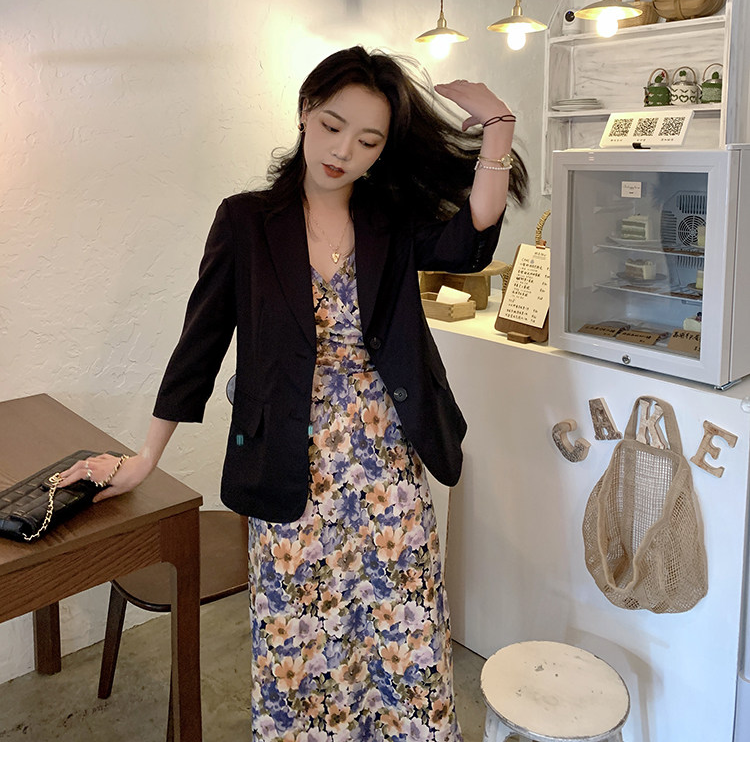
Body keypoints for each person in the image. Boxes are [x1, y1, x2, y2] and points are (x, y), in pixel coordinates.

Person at [59, 46, 527, 741]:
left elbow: (471, 233)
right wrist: (144, 458)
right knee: (301, 647)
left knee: (403, 638)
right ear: (306, 110)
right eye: (333, 126)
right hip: (289, 469)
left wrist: (498, 126)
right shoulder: (246, 221)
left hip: (387, 470)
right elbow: (199, 344)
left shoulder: (388, 219)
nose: (344, 151)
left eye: (368, 140)